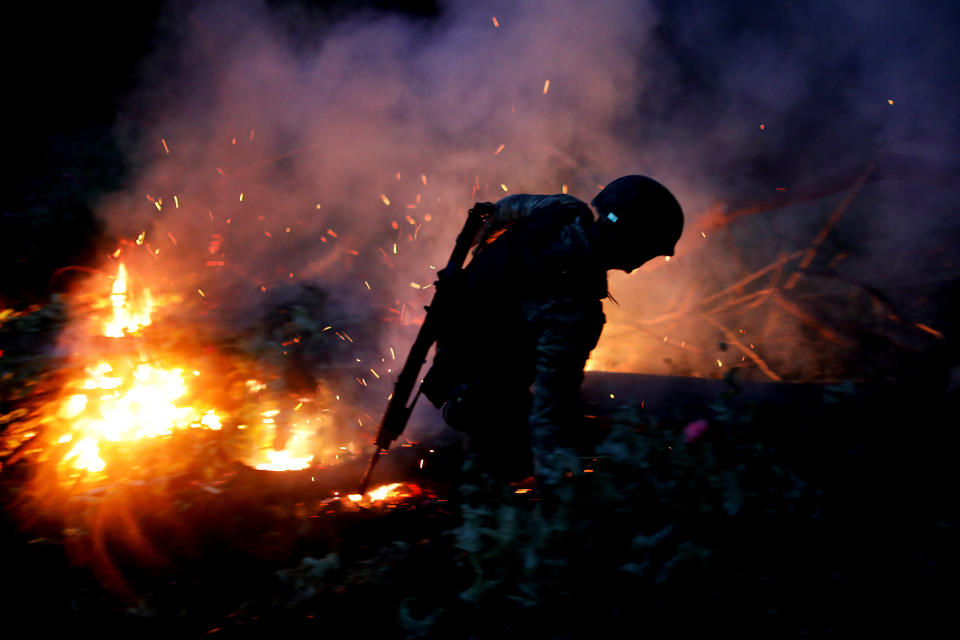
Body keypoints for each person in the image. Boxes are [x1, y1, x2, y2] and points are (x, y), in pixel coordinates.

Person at [421, 175, 683, 487]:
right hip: (477, 404)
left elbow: (498, 211)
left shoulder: (560, 208)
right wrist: (554, 491)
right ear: (635, 247)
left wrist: (481, 257)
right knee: (554, 448)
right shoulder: (572, 309)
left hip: (449, 361)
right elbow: (549, 413)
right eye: (649, 251)